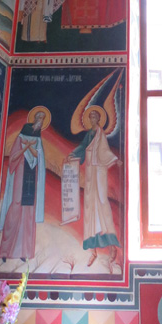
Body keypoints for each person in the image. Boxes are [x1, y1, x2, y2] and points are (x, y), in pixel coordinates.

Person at [68, 106, 120, 267]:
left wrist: (115, 160)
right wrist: (72, 155)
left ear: (98, 119)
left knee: (102, 204)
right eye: (90, 117)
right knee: (90, 207)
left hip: (99, 171)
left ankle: (112, 247)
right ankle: (93, 251)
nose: (92, 120)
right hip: (91, 172)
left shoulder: (100, 134)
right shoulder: (89, 134)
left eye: (94, 117)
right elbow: (82, 147)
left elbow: (104, 151)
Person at [0, 108, 48, 262]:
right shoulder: (24, 133)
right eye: (40, 117)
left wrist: (30, 147)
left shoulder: (38, 136)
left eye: (43, 119)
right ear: (35, 118)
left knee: (28, 211)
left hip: (31, 175)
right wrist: (26, 146)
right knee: (16, 205)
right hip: (20, 172)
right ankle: (5, 251)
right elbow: (14, 156)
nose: (41, 121)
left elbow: (38, 156)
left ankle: (23, 252)